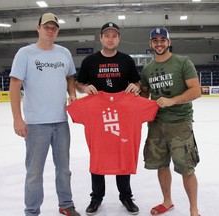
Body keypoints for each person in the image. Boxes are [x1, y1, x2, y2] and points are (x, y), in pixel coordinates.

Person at [9, 12, 80, 216]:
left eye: (54, 28)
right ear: (38, 28)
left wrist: (73, 94)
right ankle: (32, 211)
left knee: (64, 169)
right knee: (34, 173)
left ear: (57, 31)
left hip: (60, 122)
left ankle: (66, 204)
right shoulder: (25, 53)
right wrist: (17, 119)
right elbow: (15, 86)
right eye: (47, 27)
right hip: (36, 124)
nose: (50, 30)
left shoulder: (64, 53)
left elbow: (69, 78)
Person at [76, 22, 141, 215]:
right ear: (101, 38)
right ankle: (96, 198)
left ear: (118, 39)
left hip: (123, 115)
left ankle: (126, 197)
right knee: (98, 153)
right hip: (98, 115)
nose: (110, 39)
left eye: (114, 36)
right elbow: (79, 83)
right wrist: (84, 88)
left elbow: (137, 81)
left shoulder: (127, 60)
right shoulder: (89, 61)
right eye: (107, 35)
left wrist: (136, 87)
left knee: (123, 151)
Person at [140, 27, 201, 216]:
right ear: (150, 44)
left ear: (169, 42)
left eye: (162, 40)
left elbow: (196, 91)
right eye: (155, 40)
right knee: (161, 165)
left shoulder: (183, 63)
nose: (159, 44)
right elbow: (144, 95)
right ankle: (167, 201)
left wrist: (172, 101)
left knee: (186, 168)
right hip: (156, 125)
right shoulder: (147, 69)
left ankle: (194, 210)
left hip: (179, 124)